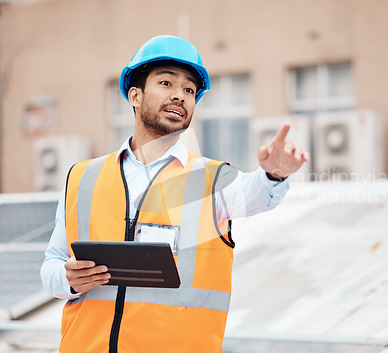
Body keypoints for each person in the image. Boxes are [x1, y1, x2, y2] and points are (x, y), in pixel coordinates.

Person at [41, 34, 309, 353]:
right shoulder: (83, 178)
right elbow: (52, 265)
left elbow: (254, 194)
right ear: (135, 95)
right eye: (167, 83)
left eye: (189, 90)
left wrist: (274, 173)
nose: (180, 96)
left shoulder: (208, 180)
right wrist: (68, 278)